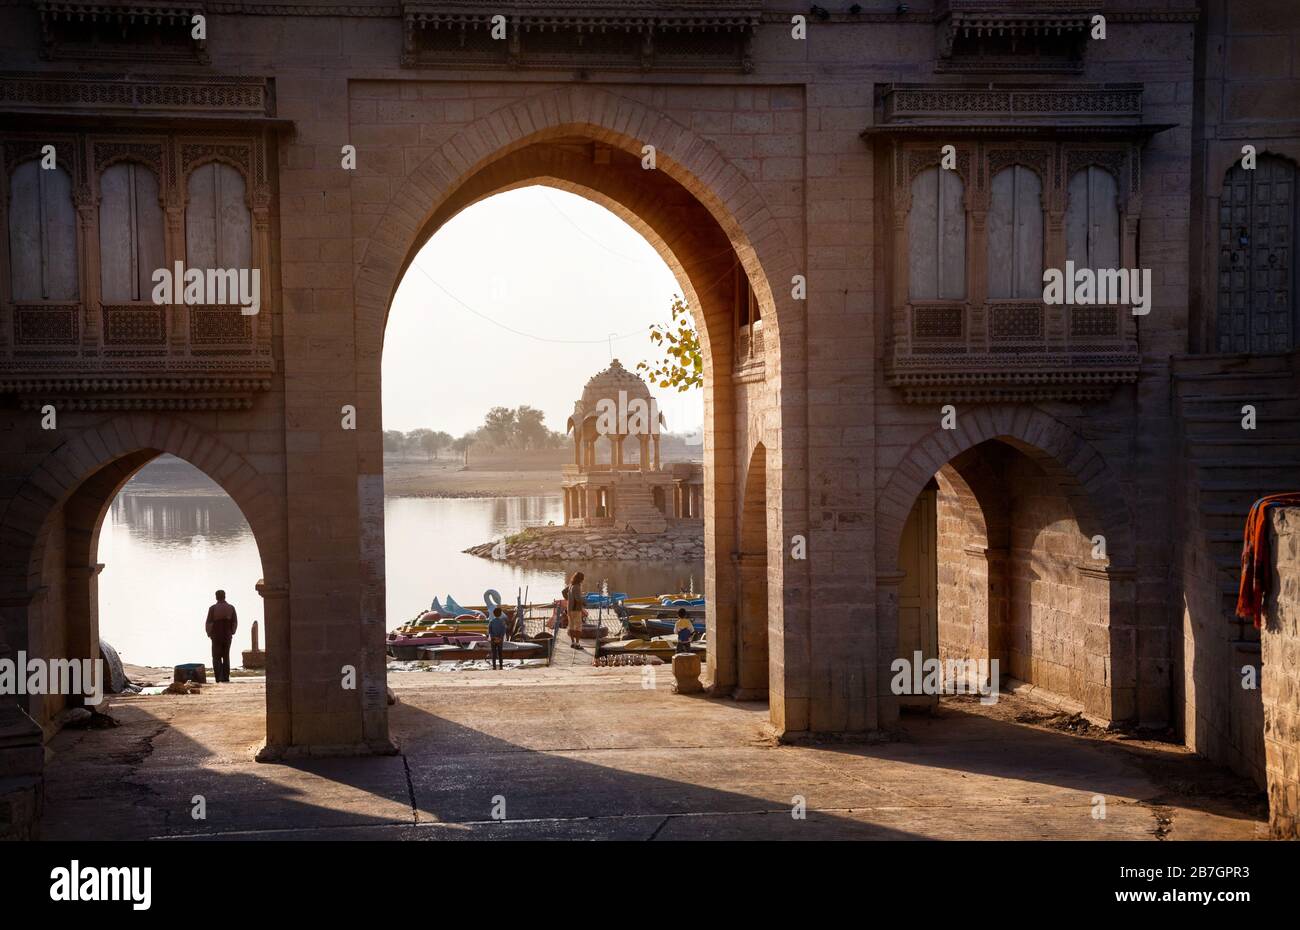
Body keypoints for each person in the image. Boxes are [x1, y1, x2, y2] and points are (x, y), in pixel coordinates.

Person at [205, 590, 238, 683]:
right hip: (227, 636)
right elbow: (235, 622)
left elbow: (209, 623)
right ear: (225, 596)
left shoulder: (213, 608)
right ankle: (226, 678)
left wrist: (209, 633)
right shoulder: (231, 608)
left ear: (216, 597)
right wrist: (232, 632)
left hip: (216, 636)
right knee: (226, 656)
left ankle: (219, 678)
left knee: (216, 657)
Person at [566, 571, 586, 649]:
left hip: (569, 608)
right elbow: (578, 599)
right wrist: (584, 602)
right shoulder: (577, 586)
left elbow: (564, 592)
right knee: (578, 626)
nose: (583, 580)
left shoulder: (571, 585)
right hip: (576, 609)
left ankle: (572, 643)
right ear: (580, 579)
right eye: (582, 579)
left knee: (571, 626)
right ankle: (577, 644)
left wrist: (569, 599)